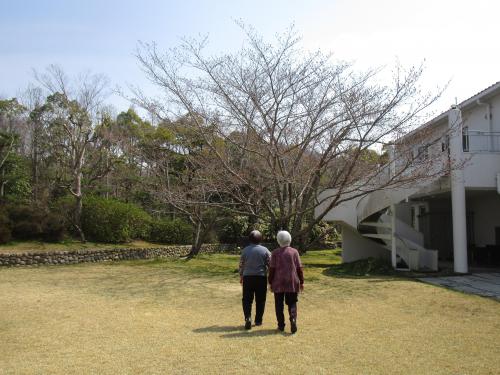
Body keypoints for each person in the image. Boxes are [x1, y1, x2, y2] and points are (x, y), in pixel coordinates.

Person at [268, 230, 304, 334]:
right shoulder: (294, 252)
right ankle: (293, 319)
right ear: (290, 239)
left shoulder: (274, 253)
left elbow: (272, 269)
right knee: (292, 302)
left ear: (278, 241)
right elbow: (299, 268)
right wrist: (301, 282)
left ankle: (281, 325)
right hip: (292, 281)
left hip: (278, 282)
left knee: (278, 304)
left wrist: (270, 282)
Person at [239, 230, 271, 330]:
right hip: (261, 277)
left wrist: (241, 276)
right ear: (261, 239)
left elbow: (241, 265)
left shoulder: (245, 250)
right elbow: (270, 265)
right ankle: (258, 320)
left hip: (248, 277)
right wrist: (270, 277)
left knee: (247, 299)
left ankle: (248, 317)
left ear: (249, 239)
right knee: (260, 300)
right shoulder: (265, 250)